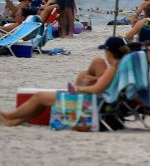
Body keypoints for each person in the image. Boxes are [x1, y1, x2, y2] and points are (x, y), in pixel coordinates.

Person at [1, 37, 132, 127]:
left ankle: (9, 116)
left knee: (39, 97)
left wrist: (79, 89)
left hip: (89, 105)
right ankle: (12, 121)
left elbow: (97, 90)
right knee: (41, 99)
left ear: (109, 52)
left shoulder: (113, 69)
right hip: (100, 104)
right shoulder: (122, 67)